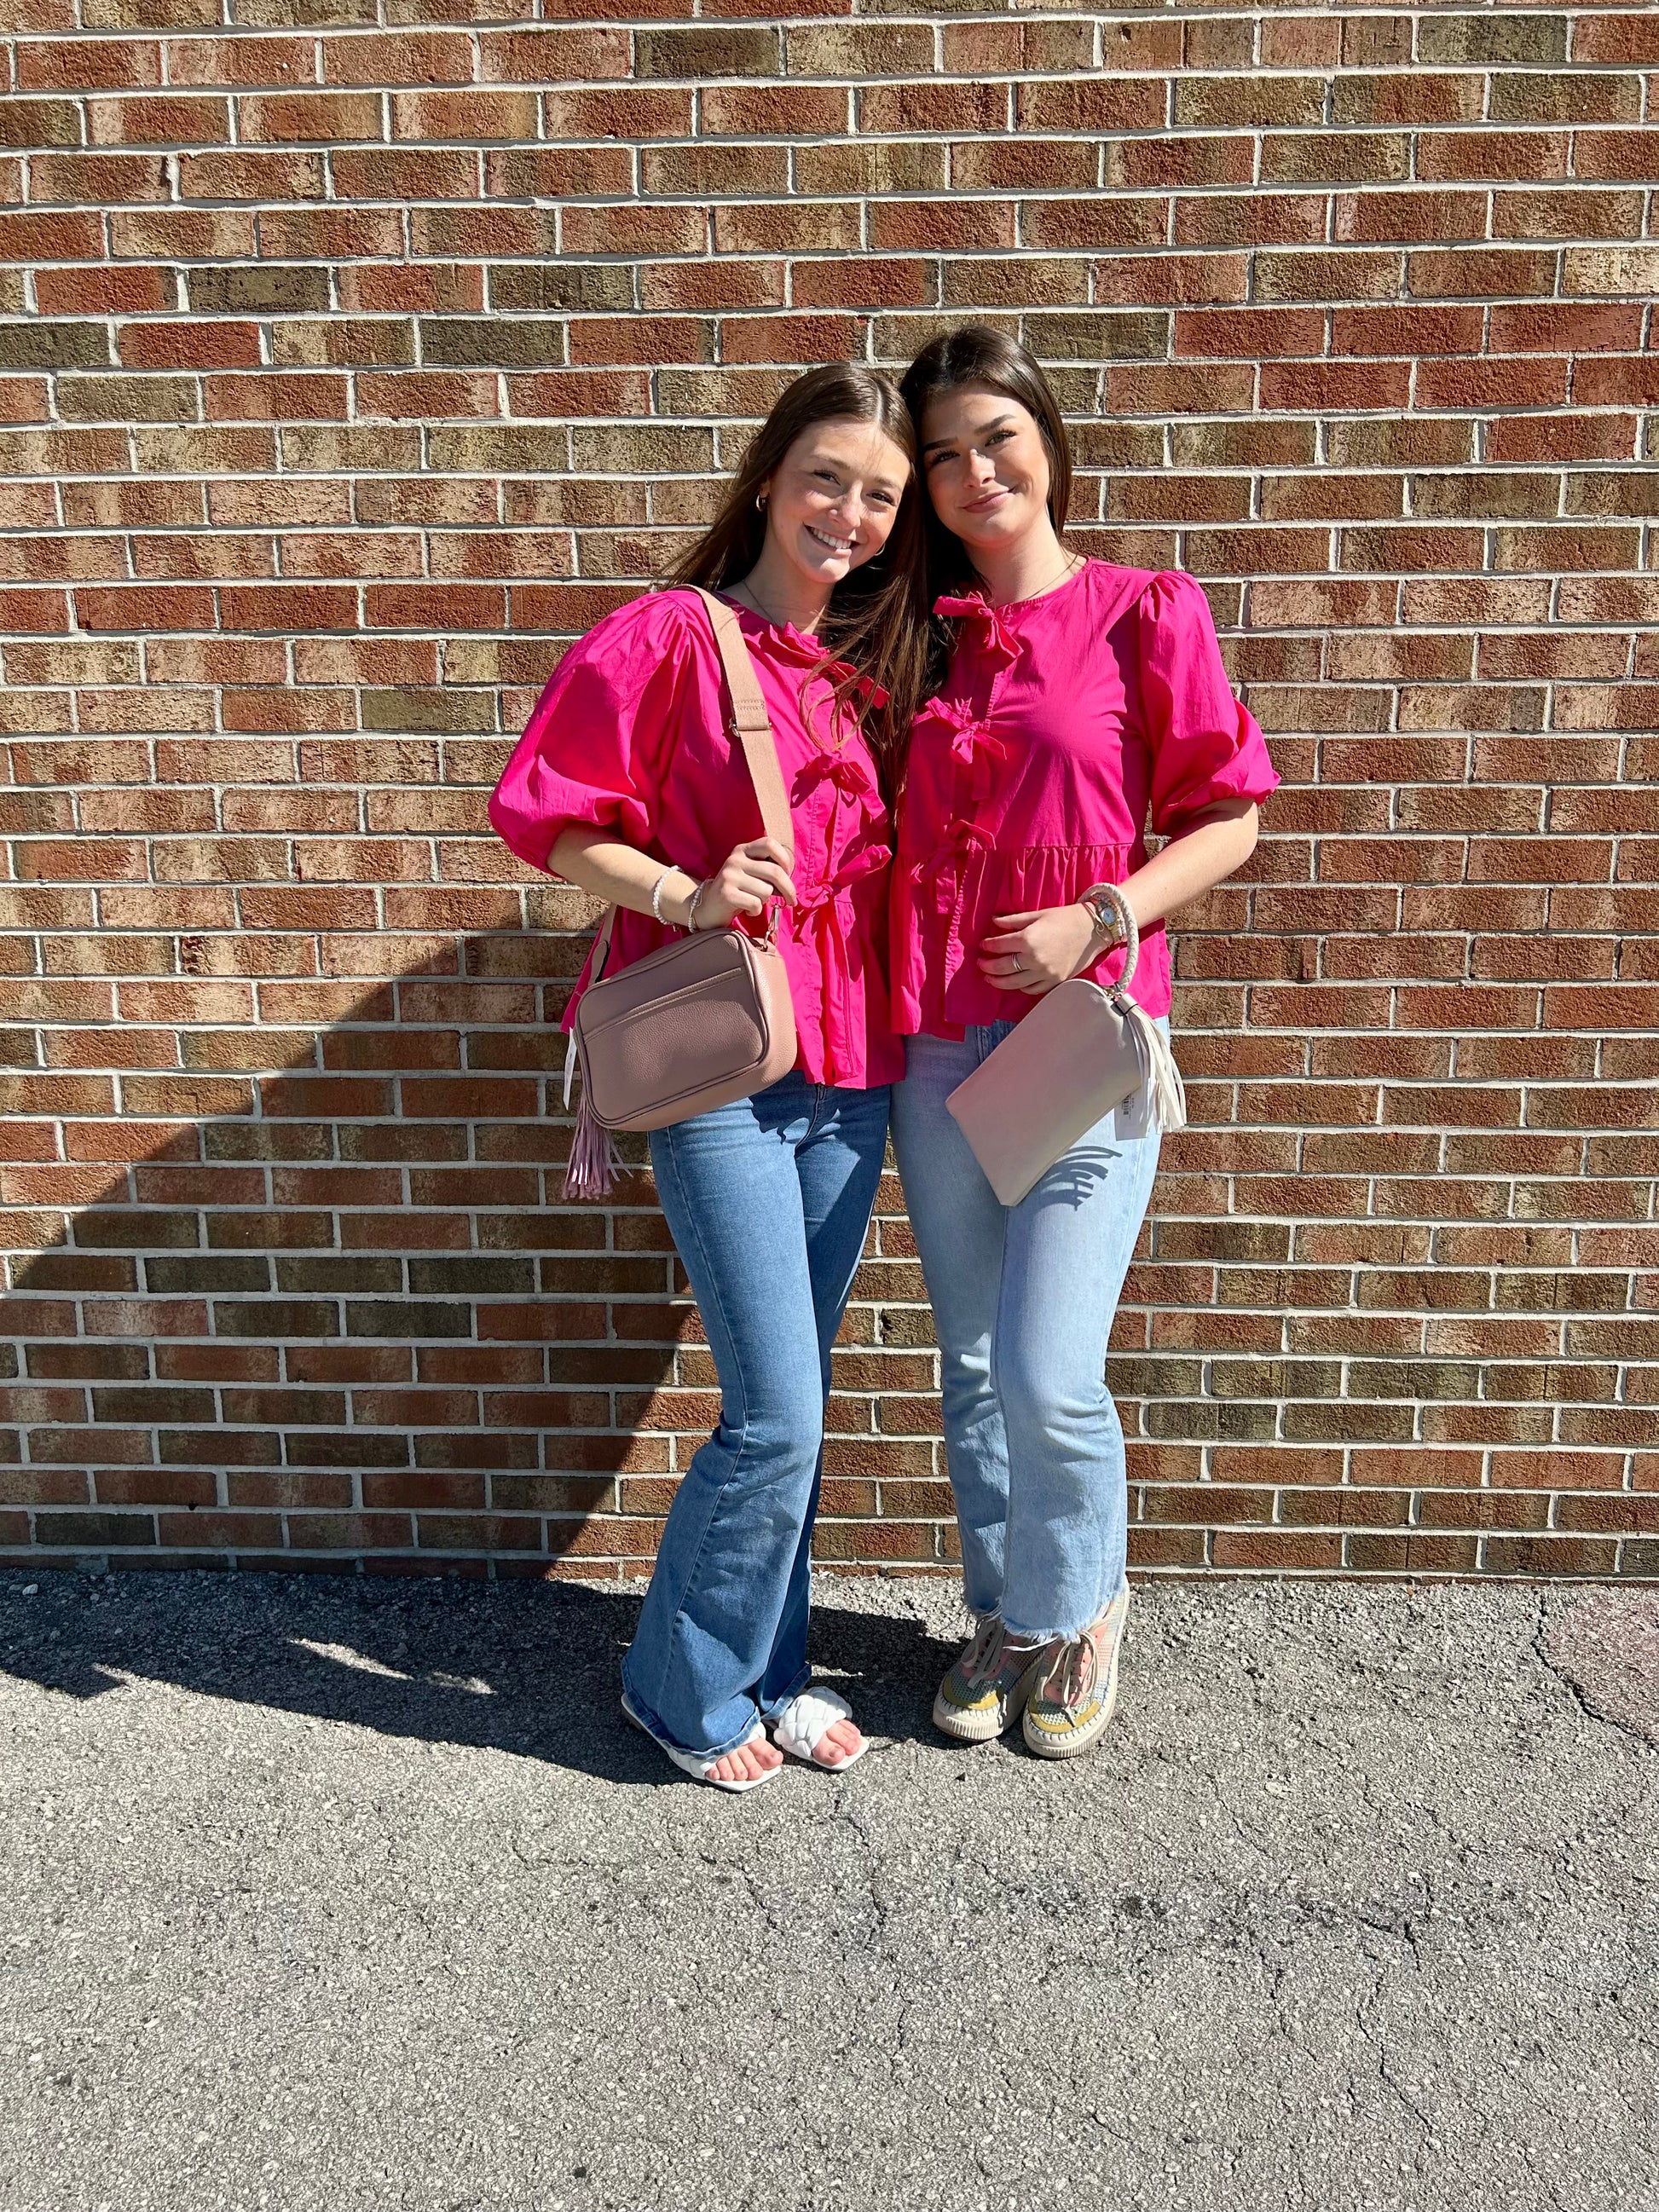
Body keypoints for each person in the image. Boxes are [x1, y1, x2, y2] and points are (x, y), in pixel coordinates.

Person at [488, 366, 928, 1793]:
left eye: (879, 494)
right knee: (774, 1412)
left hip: (849, 1071)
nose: (848, 514)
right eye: (826, 478)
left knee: (797, 1402)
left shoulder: (864, 671)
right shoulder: (675, 636)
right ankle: (677, 1685)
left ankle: (773, 1669)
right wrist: (684, 892)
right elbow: (548, 820)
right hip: (726, 1066)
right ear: (767, 478)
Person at [890, 325, 1280, 1762]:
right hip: (936, 1047)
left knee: (1049, 1369)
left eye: (995, 436)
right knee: (972, 1367)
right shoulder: (909, 634)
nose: (972, 471)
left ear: (1045, 442)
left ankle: (1079, 1608)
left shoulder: (1139, 613)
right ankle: (1005, 1611)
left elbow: (1228, 819)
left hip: (1081, 1041)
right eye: (941, 454)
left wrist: (1098, 914)